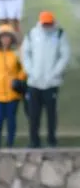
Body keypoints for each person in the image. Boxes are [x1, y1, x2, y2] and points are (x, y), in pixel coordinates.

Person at [21, 11, 69, 148]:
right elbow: (26, 54)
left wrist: (55, 73)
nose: (47, 26)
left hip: (51, 83)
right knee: (34, 114)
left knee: (51, 114)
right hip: (34, 82)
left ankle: (51, 140)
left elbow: (64, 56)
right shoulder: (32, 35)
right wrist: (31, 71)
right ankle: (33, 141)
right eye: (45, 23)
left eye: (49, 23)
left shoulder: (59, 35)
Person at [0, 25, 27, 148]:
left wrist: (18, 79)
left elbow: (23, 68)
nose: (5, 39)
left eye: (8, 37)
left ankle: (10, 145)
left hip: (12, 93)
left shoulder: (15, 54)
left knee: (11, 121)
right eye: (3, 37)